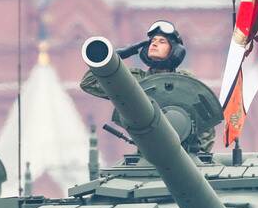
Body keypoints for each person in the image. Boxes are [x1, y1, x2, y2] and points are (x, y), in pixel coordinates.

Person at [79, 19, 214, 151]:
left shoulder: (185, 82)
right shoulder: (135, 81)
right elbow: (89, 83)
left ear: (175, 50)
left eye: (162, 42)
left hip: (185, 153)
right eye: (152, 41)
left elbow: (206, 119)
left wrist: (200, 154)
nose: (154, 44)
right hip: (148, 152)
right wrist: (115, 57)